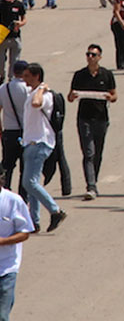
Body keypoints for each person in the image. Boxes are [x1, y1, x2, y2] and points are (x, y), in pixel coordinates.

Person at [67, 43, 117, 200]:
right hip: (84, 118)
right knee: (89, 153)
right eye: (88, 54)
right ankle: (91, 186)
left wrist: (110, 97)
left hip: (101, 119)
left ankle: (93, 179)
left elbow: (114, 95)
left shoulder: (106, 74)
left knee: (98, 153)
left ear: (99, 57)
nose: (90, 57)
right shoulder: (80, 75)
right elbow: (70, 97)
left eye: (93, 55)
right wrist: (73, 96)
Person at [20, 63, 66, 232]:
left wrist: (41, 89)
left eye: (27, 76)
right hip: (30, 142)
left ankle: (55, 211)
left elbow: (36, 103)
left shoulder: (44, 95)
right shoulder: (32, 92)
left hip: (39, 143)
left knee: (29, 182)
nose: (24, 79)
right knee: (32, 184)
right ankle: (34, 221)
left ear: (36, 76)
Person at [0, 164, 33, 317]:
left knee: (2, 315)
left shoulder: (13, 201)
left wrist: (2, 241)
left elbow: (25, 232)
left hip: (6, 267)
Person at [0, 63, 28, 193]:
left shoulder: (3, 88)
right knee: (25, 167)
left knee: (7, 166)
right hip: (26, 132)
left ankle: (5, 191)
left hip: (9, 132)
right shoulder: (28, 89)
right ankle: (23, 196)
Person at [0, 0, 25, 79]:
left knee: (14, 60)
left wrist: (20, 24)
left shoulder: (18, 4)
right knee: (1, 61)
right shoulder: (1, 4)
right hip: (2, 37)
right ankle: (1, 76)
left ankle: (12, 78)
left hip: (15, 37)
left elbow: (24, 19)